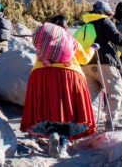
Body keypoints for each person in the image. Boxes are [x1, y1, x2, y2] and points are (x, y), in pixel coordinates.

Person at [20, 15, 97, 158]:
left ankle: (53, 133)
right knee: (69, 113)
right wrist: (93, 48)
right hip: (70, 75)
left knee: (48, 110)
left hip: (41, 75)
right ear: (65, 27)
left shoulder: (44, 41)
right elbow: (84, 59)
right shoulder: (70, 39)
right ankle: (63, 146)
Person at [77, 0, 122, 129]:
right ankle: (111, 122)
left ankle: (80, 123)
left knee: (88, 95)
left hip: (86, 64)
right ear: (105, 11)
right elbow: (117, 38)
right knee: (115, 91)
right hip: (104, 63)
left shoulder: (86, 24)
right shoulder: (104, 21)